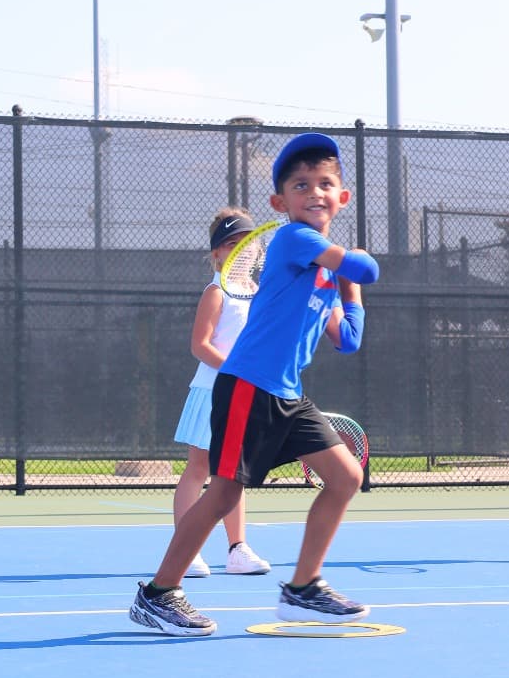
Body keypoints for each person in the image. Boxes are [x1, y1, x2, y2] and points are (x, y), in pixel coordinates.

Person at [129, 132, 380, 636]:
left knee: (346, 478)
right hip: (248, 385)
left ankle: (303, 588)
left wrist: (348, 292)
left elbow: (348, 339)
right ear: (279, 203)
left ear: (342, 196)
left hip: (287, 394)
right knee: (223, 493)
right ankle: (157, 594)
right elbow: (366, 266)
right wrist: (352, 265)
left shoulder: (325, 274)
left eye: (324, 183)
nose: (314, 192)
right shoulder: (294, 239)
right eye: (300, 185)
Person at [172, 208, 271, 579]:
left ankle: (237, 550)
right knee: (199, 469)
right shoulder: (216, 293)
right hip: (211, 393)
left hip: (245, 396)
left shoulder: (259, 294)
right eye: (231, 244)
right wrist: (234, 370)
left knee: (233, 474)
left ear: (258, 249)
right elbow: (200, 345)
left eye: (247, 242)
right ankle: (186, 550)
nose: (241, 249)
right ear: (217, 253)